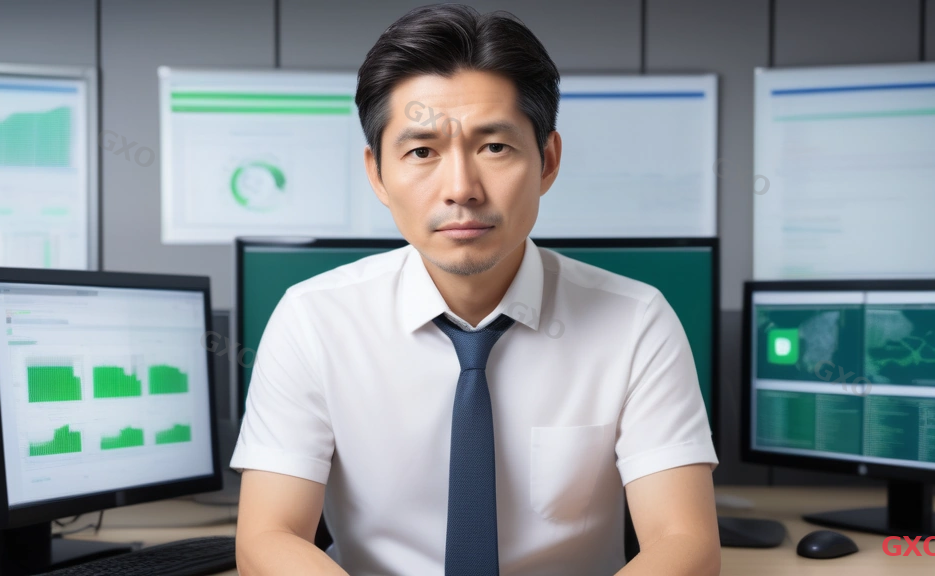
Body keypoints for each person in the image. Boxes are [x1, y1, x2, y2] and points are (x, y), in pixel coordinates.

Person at [231, 4, 720, 575]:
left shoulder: (636, 321)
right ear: (377, 174)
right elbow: (267, 536)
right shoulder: (313, 320)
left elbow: (684, 541)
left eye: (495, 147)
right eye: (421, 152)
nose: (461, 189)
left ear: (547, 161)